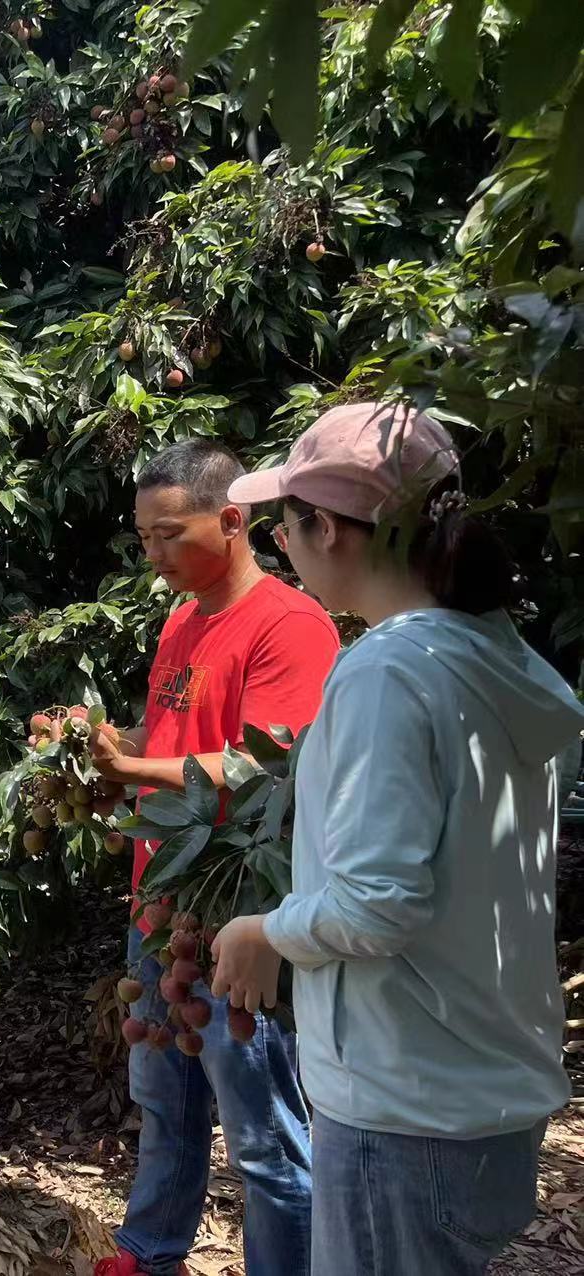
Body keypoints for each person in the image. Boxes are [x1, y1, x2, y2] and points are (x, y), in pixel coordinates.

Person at [210, 403, 583, 1275]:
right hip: (481, 1093)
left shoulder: (387, 670)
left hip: (403, 1108)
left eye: (285, 529)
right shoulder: (496, 656)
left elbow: (380, 903)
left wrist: (263, 932)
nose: (280, 551)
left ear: (330, 532)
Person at [89, 441, 338, 1276]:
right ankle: (149, 1252)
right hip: (162, 904)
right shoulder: (180, 620)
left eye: (167, 535)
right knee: (163, 1102)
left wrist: (134, 769)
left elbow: (264, 769)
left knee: (267, 1137)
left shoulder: (292, 625)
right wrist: (115, 752)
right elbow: (180, 747)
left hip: (243, 916)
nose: (153, 556)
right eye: (143, 538)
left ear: (233, 522)